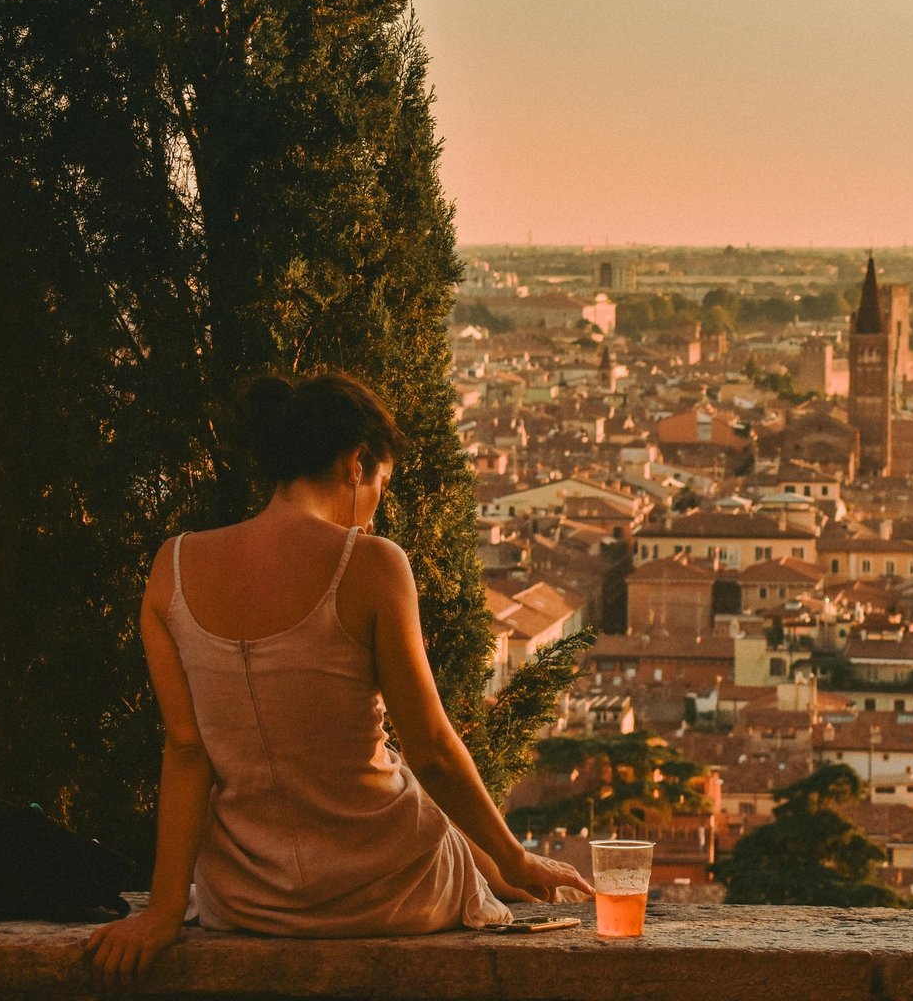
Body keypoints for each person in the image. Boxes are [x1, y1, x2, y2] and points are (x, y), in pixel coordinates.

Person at [84, 372, 588, 990]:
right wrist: (516, 855)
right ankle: (500, 872)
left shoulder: (173, 566)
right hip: (389, 895)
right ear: (358, 463)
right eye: (382, 484)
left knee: (403, 776)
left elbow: (187, 753)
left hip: (248, 898)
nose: (377, 508)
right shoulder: (373, 564)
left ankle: (493, 869)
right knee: (419, 790)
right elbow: (432, 748)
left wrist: (163, 913)